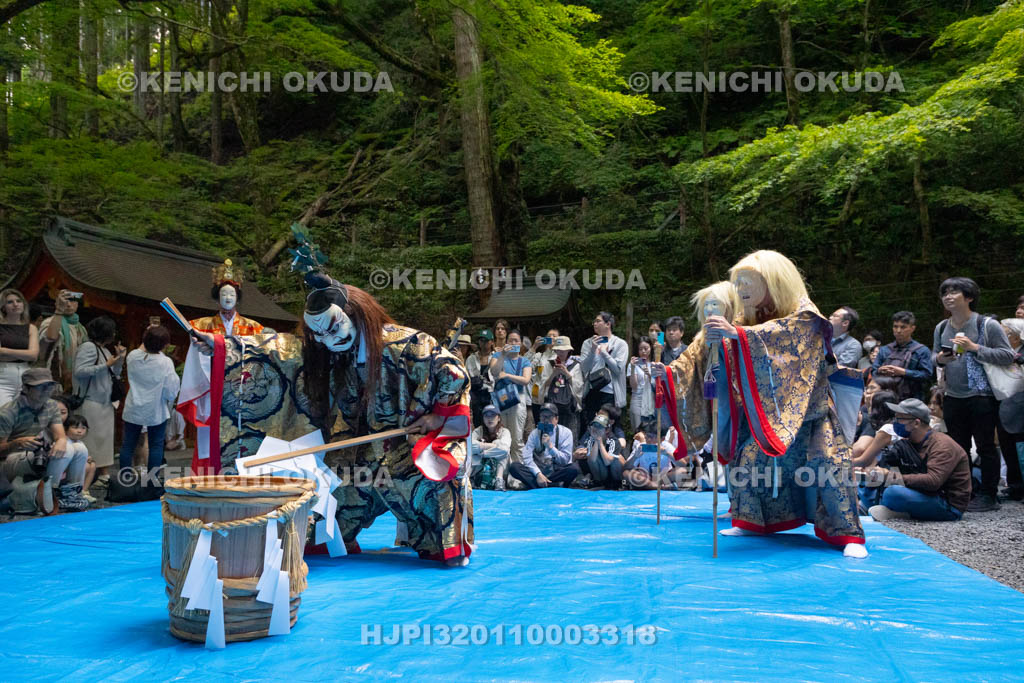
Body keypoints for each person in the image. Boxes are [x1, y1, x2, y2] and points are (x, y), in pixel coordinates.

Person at [680, 250, 867, 558]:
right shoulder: (746, 318)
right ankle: (751, 521)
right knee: (750, 460)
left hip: (811, 411)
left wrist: (740, 335)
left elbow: (791, 336)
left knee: (829, 466)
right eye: (738, 282)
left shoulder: (803, 311)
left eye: (748, 281)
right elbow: (728, 346)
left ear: (773, 280)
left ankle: (848, 535)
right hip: (766, 413)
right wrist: (721, 343)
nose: (741, 289)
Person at [933, 277, 1015, 512]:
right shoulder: (941, 327)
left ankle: (989, 494)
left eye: (954, 292)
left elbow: (1007, 355)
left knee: (986, 446)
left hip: (982, 395)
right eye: (944, 293)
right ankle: (964, 492)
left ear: (969, 297)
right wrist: (940, 358)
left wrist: (974, 347)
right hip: (953, 395)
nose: (948, 296)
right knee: (959, 448)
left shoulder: (986, 325)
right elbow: (933, 357)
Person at [866, 399, 971, 522]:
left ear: (916, 423)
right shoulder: (907, 443)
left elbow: (933, 481)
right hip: (922, 493)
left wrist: (890, 476)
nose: (895, 422)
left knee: (893, 492)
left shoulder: (942, 445)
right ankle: (880, 510)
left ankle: (901, 513)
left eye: (900, 419)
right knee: (866, 484)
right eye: (895, 418)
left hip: (947, 504)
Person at [0, 368, 88, 513]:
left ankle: (71, 495)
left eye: (49, 385)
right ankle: (50, 498)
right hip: (11, 460)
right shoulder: (8, 412)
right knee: (68, 450)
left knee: (79, 448)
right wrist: (17, 443)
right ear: (26, 388)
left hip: (36, 454)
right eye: (40, 386)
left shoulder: (51, 405)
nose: (46, 390)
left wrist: (60, 441)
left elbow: (60, 435)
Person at [118, 325, 181, 475]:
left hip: (133, 406)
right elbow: (171, 390)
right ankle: (152, 482)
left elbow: (142, 347)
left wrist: (148, 332)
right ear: (166, 345)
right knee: (156, 446)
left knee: (128, 445)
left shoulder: (133, 356)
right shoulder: (165, 362)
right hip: (156, 409)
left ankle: (124, 479)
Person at [73, 316, 125, 485]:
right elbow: (80, 371)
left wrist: (120, 359)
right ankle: (89, 473)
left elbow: (114, 374)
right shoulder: (88, 347)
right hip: (91, 401)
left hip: (104, 402)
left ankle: (103, 473)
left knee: (104, 440)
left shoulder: (106, 350)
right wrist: (106, 365)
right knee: (92, 439)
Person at [489, 329, 532, 484]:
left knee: (516, 438)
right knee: (500, 436)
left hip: (517, 399)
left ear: (521, 344)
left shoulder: (524, 361)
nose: (513, 343)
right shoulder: (497, 356)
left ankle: (517, 476)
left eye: (516, 341)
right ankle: (501, 474)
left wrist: (507, 376)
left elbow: (526, 380)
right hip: (500, 398)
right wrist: (501, 355)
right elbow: (494, 372)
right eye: (510, 340)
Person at [579, 311, 628, 438]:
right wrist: (592, 351)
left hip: (611, 393)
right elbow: (584, 368)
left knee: (610, 427)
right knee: (591, 424)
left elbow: (618, 369)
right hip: (592, 390)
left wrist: (604, 353)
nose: (594, 324)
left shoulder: (620, 344)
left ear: (608, 324)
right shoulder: (588, 343)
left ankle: (611, 454)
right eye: (594, 322)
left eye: (598, 321)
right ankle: (589, 454)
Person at [510, 402, 578, 489]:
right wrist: (538, 474)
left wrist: (550, 447)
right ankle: (550, 485)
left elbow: (566, 460)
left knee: (573, 469)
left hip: (555, 472)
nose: (545, 420)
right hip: (539, 471)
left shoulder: (566, 433)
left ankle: (537, 485)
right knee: (514, 467)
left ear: (556, 419)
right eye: (543, 416)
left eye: (549, 416)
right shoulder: (534, 433)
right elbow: (526, 457)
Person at [189, 259, 265, 337]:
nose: (228, 298)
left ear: (237, 299)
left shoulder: (252, 327)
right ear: (217, 299)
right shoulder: (201, 325)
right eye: (224, 295)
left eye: (232, 295)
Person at [872, 311, 933, 400]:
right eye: (895, 326)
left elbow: (927, 375)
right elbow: (873, 371)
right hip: (885, 398)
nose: (898, 330)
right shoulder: (884, 350)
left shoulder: (921, 351)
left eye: (903, 327)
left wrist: (904, 372)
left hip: (912, 400)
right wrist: (879, 371)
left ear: (912, 328)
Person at [38, 290, 88, 394]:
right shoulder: (50, 322)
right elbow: (49, 340)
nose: (69, 304)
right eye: (65, 301)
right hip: (54, 378)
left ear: (77, 304)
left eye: (72, 301)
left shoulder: (81, 328)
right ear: (57, 303)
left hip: (75, 380)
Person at [0, 289, 40, 405]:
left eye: (19, 301)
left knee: (22, 418)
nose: (15, 304)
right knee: (4, 417)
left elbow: (33, 356)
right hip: (2, 376)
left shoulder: (31, 328)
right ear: (3, 307)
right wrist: (24, 354)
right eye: (10, 302)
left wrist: (6, 351)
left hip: (26, 375)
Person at [539, 336, 583, 439]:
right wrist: (554, 374)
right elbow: (543, 385)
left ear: (569, 350)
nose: (560, 352)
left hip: (570, 409)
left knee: (570, 438)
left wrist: (566, 373)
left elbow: (579, 386)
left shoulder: (576, 365)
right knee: (550, 438)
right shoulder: (548, 364)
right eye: (558, 350)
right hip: (551, 408)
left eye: (563, 350)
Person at [575, 414, 623, 488]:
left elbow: (608, 462)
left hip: (612, 472)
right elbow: (592, 460)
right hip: (602, 472)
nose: (595, 429)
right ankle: (598, 482)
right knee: (592, 458)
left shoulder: (614, 441)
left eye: (599, 426)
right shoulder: (590, 439)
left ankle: (617, 484)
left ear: (607, 430)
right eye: (594, 426)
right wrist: (596, 442)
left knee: (616, 461)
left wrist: (600, 443)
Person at [470, 404, 511, 491]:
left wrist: (482, 452)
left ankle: (499, 480)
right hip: (480, 466)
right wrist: (490, 446)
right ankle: (471, 478)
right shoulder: (478, 430)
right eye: (486, 416)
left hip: (498, 467)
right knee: (471, 452)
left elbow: (504, 449)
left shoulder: (505, 431)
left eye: (493, 415)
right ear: (483, 419)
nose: (490, 418)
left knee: (504, 452)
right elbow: (469, 446)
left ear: (499, 418)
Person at [627, 336, 656, 435]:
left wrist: (650, 375)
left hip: (652, 401)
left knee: (652, 433)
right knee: (638, 433)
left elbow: (658, 386)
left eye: (646, 348)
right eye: (640, 349)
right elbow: (633, 386)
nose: (643, 351)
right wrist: (632, 367)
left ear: (651, 348)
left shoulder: (655, 364)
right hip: (637, 400)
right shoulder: (633, 365)